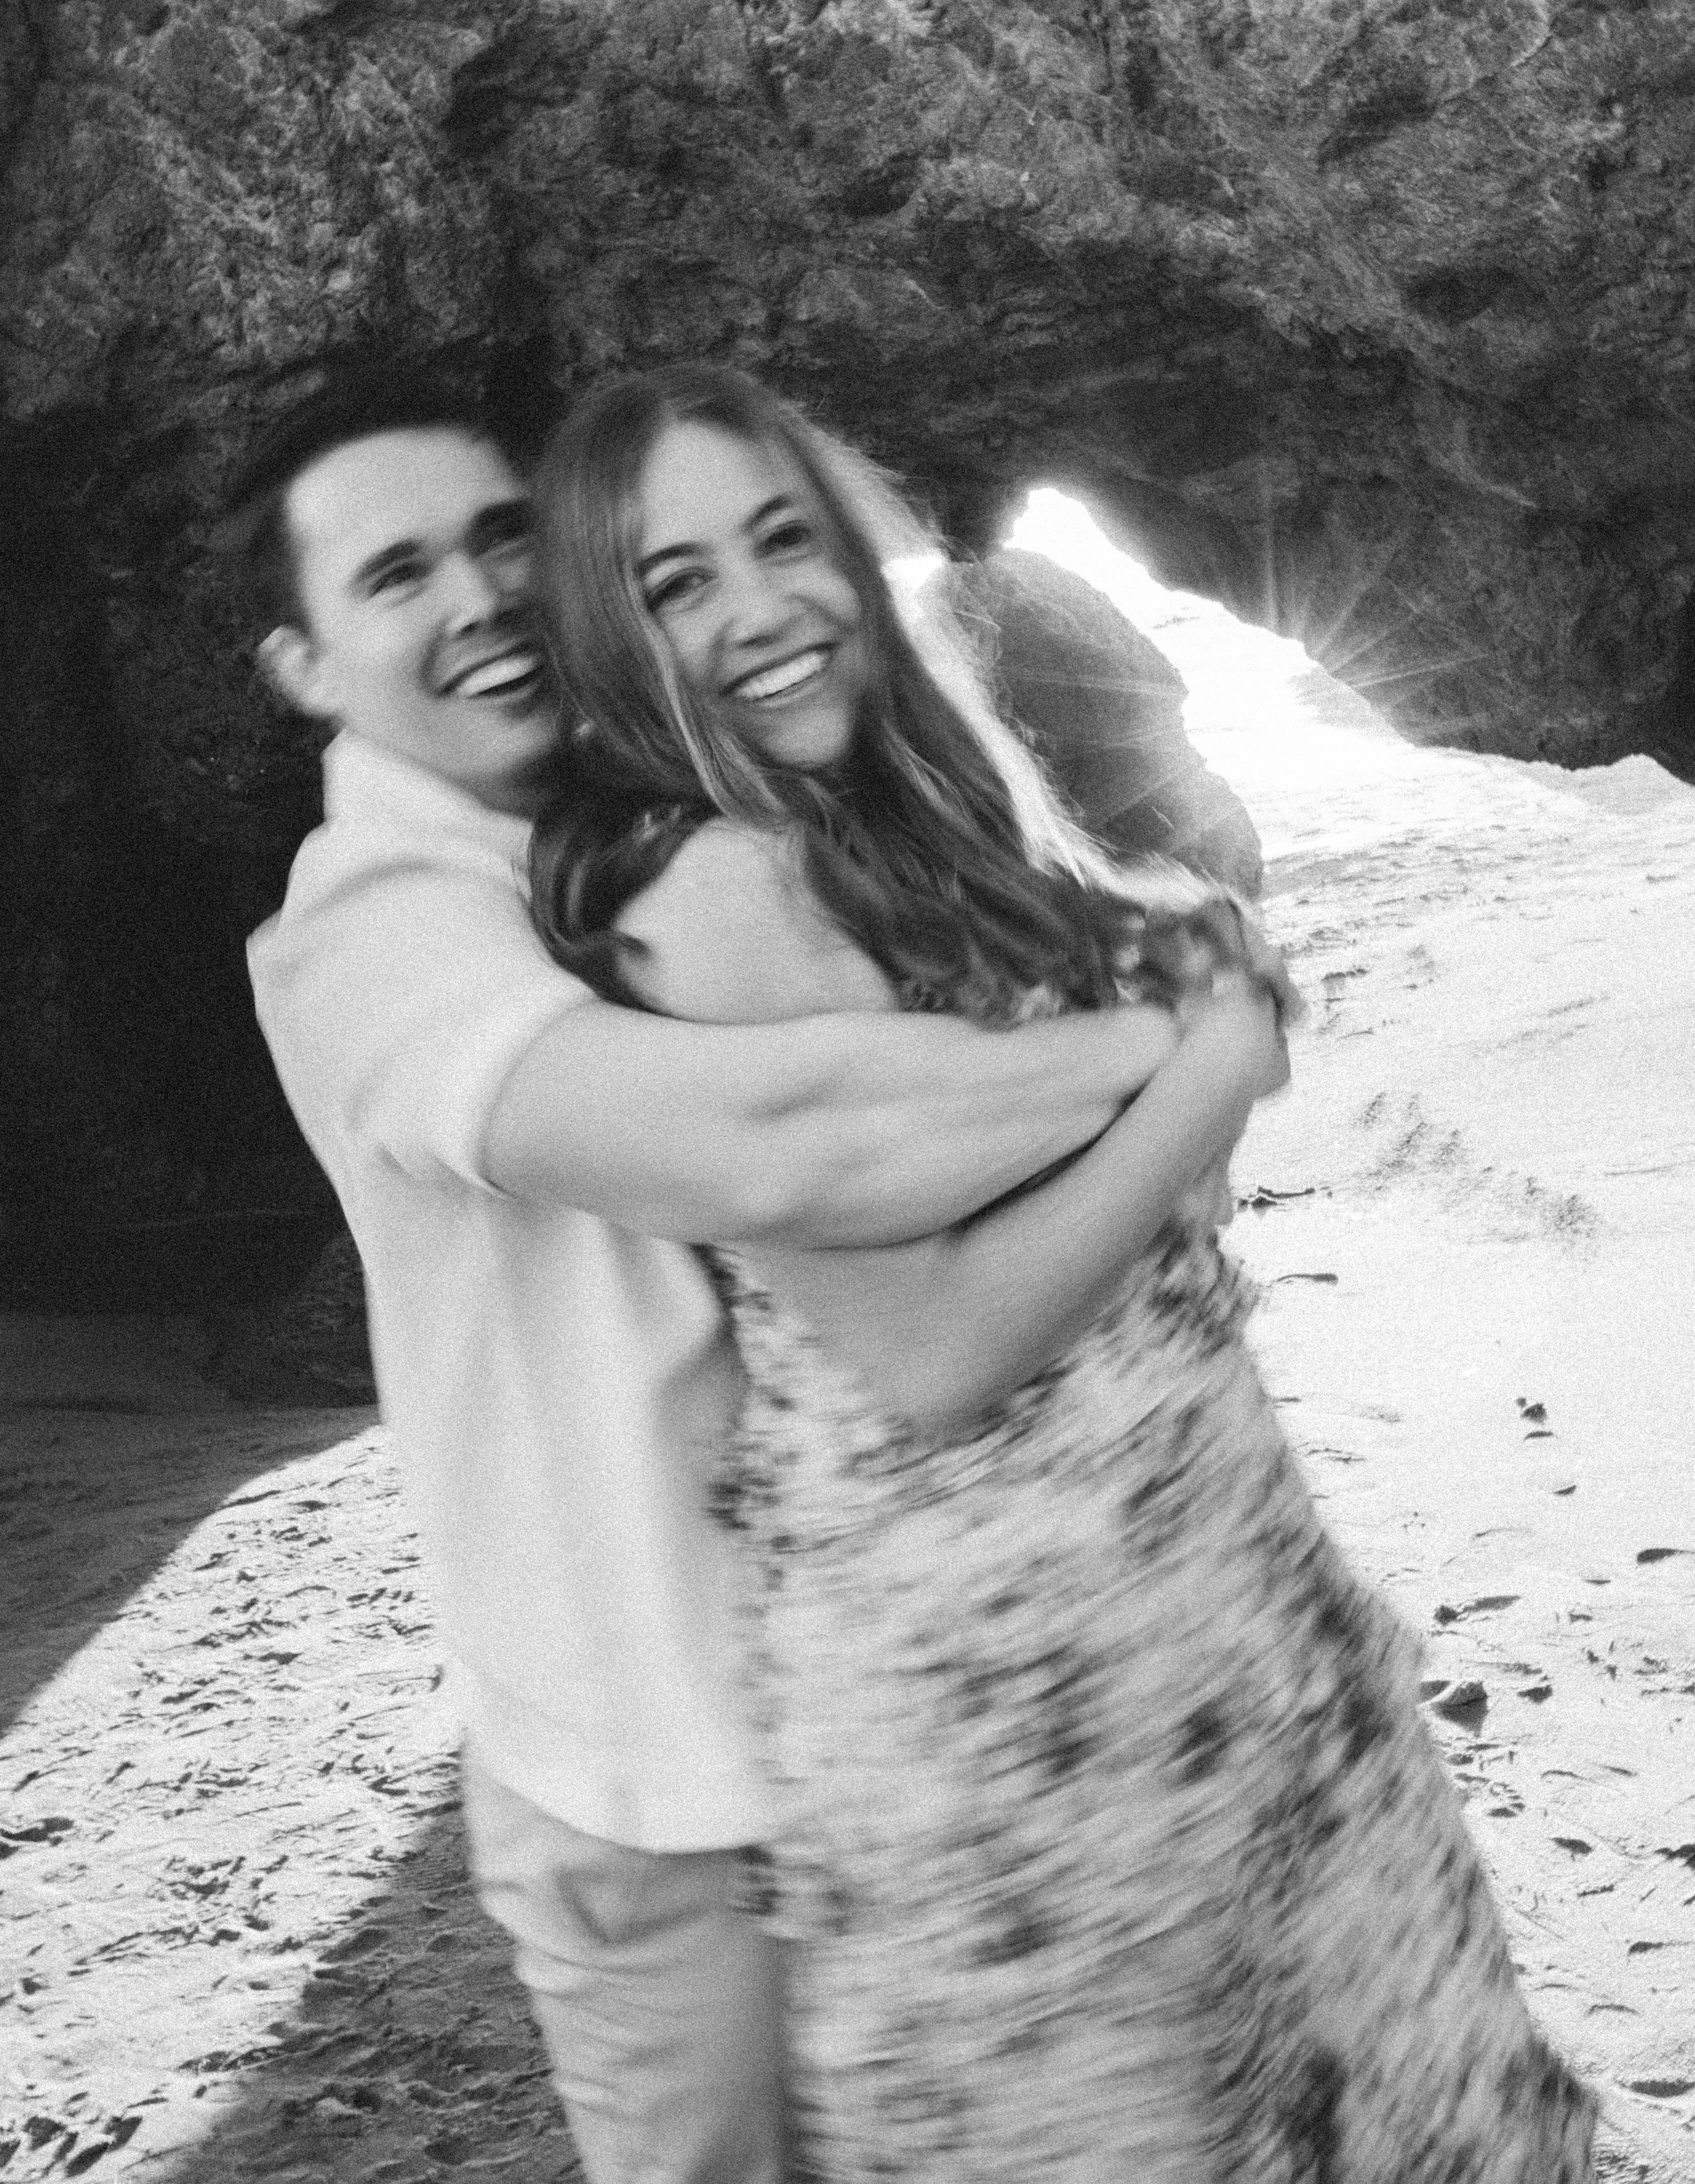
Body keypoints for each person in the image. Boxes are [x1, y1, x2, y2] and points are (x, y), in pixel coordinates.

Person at [525, 363, 1599, 2183]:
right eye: (674, 580)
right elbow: (930, 1346)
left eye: (782, 537)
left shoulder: (907, 810)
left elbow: (1101, 1183)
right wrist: (1192, 1071)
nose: (760, 606)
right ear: (603, 637)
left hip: (1212, 1620)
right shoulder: (707, 889)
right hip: (1016, 1716)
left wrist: (1173, 1017)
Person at [226, 365, 1211, 2184]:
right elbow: (781, 1142)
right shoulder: (371, 930)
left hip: (889, 1725)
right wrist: (1164, 1049)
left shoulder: (655, 824)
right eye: (395, 577)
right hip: (662, 1793)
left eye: (505, 539)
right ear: (302, 667)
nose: (480, 601)